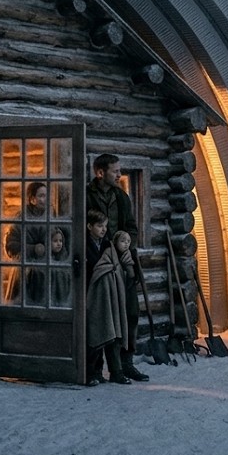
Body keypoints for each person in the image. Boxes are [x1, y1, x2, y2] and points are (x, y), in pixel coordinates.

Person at [86, 154, 149, 382]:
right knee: (104, 316)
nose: (119, 175)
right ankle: (104, 369)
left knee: (130, 313)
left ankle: (126, 363)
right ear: (100, 173)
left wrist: (124, 245)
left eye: (120, 171)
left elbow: (131, 227)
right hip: (99, 266)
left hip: (122, 264)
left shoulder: (121, 197)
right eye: (115, 171)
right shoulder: (86, 196)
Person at [84, 209, 131, 386]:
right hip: (92, 292)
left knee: (111, 329)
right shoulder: (85, 245)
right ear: (89, 226)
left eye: (105, 226)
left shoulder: (107, 245)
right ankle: (91, 372)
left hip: (108, 293)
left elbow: (113, 264)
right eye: (99, 226)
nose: (103, 229)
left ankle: (113, 371)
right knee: (95, 330)